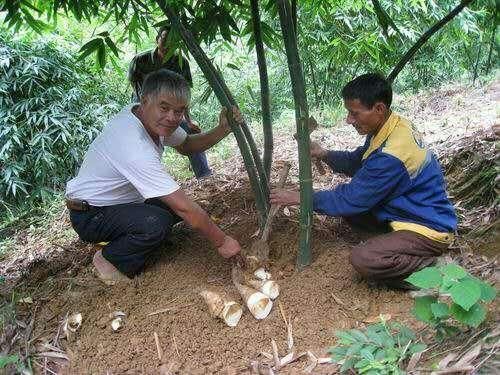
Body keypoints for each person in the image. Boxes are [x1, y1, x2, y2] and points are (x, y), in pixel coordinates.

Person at [270, 73, 457, 289]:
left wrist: (302, 198)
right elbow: (360, 161)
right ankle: (390, 245)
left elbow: (351, 198)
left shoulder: (393, 154)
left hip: (426, 227)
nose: (349, 120)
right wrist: (325, 154)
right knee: (351, 212)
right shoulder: (391, 126)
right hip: (406, 210)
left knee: (364, 259)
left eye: (354, 114)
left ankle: (434, 269)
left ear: (378, 109)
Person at [65, 69, 242, 284]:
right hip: (91, 215)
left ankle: (134, 240)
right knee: (157, 221)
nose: (172, 117)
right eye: (164, 107)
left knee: (174, 211)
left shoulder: (145, 117)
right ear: (145, 100)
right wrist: (222, 241)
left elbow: (186, 144)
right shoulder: (132, 142)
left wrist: (222, 129)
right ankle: (109, 259)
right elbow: (184, 207)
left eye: (179, 111)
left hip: (119, 203)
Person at [128, 26, 212, 179]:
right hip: (145, 111)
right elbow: (136, 90)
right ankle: (144, 179)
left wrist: (188, 120)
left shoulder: (181, 62)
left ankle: (204, 175)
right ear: (157, 39)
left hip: (171, 111)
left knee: (191, 131)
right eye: (164, 39)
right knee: (139, 141)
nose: (167, 44)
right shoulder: (140, 60)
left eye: (172, 41)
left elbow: (183, 95)